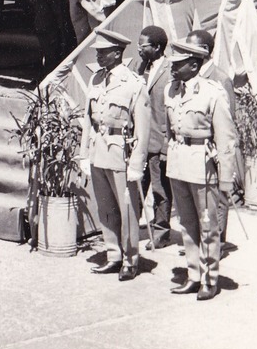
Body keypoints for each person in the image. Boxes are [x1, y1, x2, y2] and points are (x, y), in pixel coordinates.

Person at [164, 31, 237, 300]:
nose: (172, 67)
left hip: (202, 165)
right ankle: (193, 275)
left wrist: (226, 179)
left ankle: (209, 278)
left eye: (177, 63)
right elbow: (170, 131)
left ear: (194, 65)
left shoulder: (213, 92)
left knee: (207, 226)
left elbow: (226, 139)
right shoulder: (169, 90)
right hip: (179, 162)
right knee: (187, 223)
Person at [80, 29, 150, 281]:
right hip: (98, 151)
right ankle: (113, 254)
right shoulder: (96, 80)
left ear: (117, 53)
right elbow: (88, 120)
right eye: (97, 51)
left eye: (103, 52)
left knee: (127, 208)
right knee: (106, 207)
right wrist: (83, 154)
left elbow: (142, 128)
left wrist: (137, 163)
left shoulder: (134, 84)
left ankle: (131, 259)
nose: (98, 55)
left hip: (121, 153)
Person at [135, 26, 173, 250]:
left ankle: (161, 233)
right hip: (141, 140)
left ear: (157, 47)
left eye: (144, 46)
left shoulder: (170, 70)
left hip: (159, 141)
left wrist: (167, 142)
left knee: (160, 190)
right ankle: (133, 226)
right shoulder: (143, 68)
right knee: (138, 185)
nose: (139, 48)